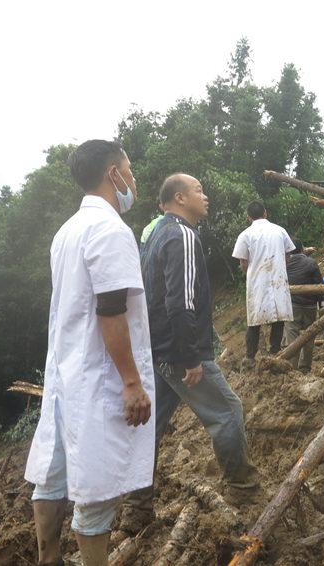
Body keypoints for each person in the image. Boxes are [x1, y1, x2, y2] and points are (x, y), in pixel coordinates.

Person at [24, 140, 154, 566]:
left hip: (67, 371)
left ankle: (49, 558)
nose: (133, 179)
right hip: (100, 376)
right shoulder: (110, 230)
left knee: (53, 471)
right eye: (129, 169)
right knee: (95, 490)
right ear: (113, 174)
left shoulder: (66, 231)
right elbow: (111, 308)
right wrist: (132, 382)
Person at [121, 173, 257, 533]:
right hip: (178, 353)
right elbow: (180, 303)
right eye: (199, 190)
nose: (206, 195)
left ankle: (136, 510)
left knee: (149, 429)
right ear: (180, 198)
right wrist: (191, 357)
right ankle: (243, 488)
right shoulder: (182, 234)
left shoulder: (155, 235)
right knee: (228, 412)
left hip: (158, 352)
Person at [231, 201, 295, 365]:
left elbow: (243, 262)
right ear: (265, 213)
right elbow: (288, 256)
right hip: (278, 279)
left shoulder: (245, 235)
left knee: (254, 319)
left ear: (248, 217)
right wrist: (279, 267)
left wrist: (251, 273)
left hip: (256, 282)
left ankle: (250, 357)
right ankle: (275, 351)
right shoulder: (280, 231)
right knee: (279, 316)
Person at [283, 238, 324, 371]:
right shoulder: (311, 263)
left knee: (292, 339)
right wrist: (321, 302)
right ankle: (305, 367)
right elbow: (320, 285)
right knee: (309, 337)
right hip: (310, 306)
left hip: (292, 306)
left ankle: (292, 369)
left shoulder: (284, 264)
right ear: (302, 248)